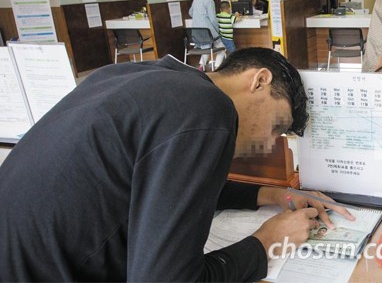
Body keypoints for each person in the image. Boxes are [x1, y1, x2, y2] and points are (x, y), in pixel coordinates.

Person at [0, 48, 354, 281]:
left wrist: (269, 194)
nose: (266, 146)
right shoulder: (209, 109)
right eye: (276, 127)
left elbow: (162, 184)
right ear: (259, 81)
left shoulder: (139, 76)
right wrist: (268, 241)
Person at [189, 0, 225, 70]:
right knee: (221, 47)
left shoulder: (196, 0)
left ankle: (201, 66)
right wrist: (217, 31)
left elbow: (190, 13)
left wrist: (199, 17)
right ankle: (216, 67)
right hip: (208, 31)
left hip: (197, 32)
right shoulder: (209, 1)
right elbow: (213, 19)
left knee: (207, 46)